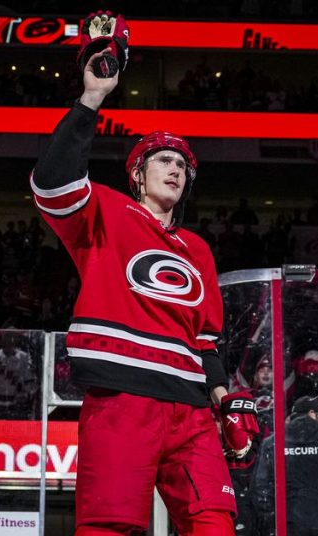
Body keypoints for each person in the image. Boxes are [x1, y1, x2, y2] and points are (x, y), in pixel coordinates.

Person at [30, 14, 236, 534]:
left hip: (191, 410)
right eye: (164, 160)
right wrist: (92, 98)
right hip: (122, 397)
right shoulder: (106, 210)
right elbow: (51, 183)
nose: (175, 170)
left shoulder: (198, 248)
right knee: (110, 525)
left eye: (182, 166)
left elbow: (206, 341)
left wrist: (226, 400)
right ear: (138, 174)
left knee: (215, 520)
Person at [251, 396, 318, 536]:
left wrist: (273, 521)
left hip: (289, 525)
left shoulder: (273, 443)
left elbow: (261, 488)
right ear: (311, 414)